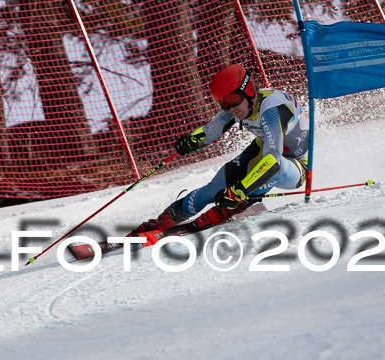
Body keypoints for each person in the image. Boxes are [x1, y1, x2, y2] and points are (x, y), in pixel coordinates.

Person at [131, 64, 309, 234]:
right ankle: (165, 220)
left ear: (247, 91)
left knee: (272, 168)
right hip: (264, 150)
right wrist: (191, 141)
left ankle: (234, 207)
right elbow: (209, 132)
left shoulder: (271, 110)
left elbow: (273, 161)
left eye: (232, 101)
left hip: (297, 166)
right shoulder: (242, 105)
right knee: (213, 188)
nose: (230, 109)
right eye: (224, 104)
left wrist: (239, 190)